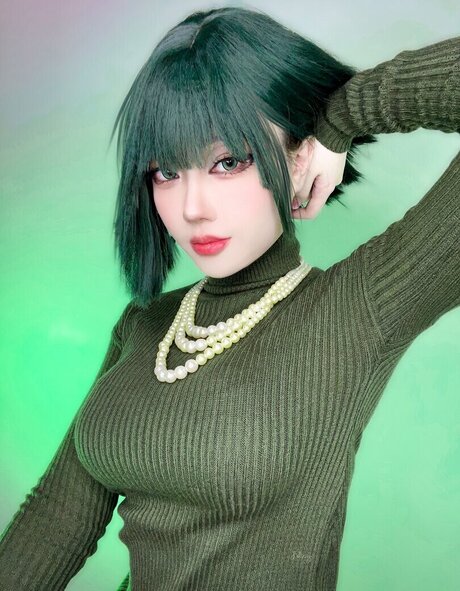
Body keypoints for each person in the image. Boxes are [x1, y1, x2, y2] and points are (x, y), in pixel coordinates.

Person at [0, 6, 458, 591]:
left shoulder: (358, 309)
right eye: (166, 171)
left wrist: (343, 116)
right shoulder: (146, 324)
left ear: (299, 156)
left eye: (228, 161)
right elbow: (57, 520)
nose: (193, 208)